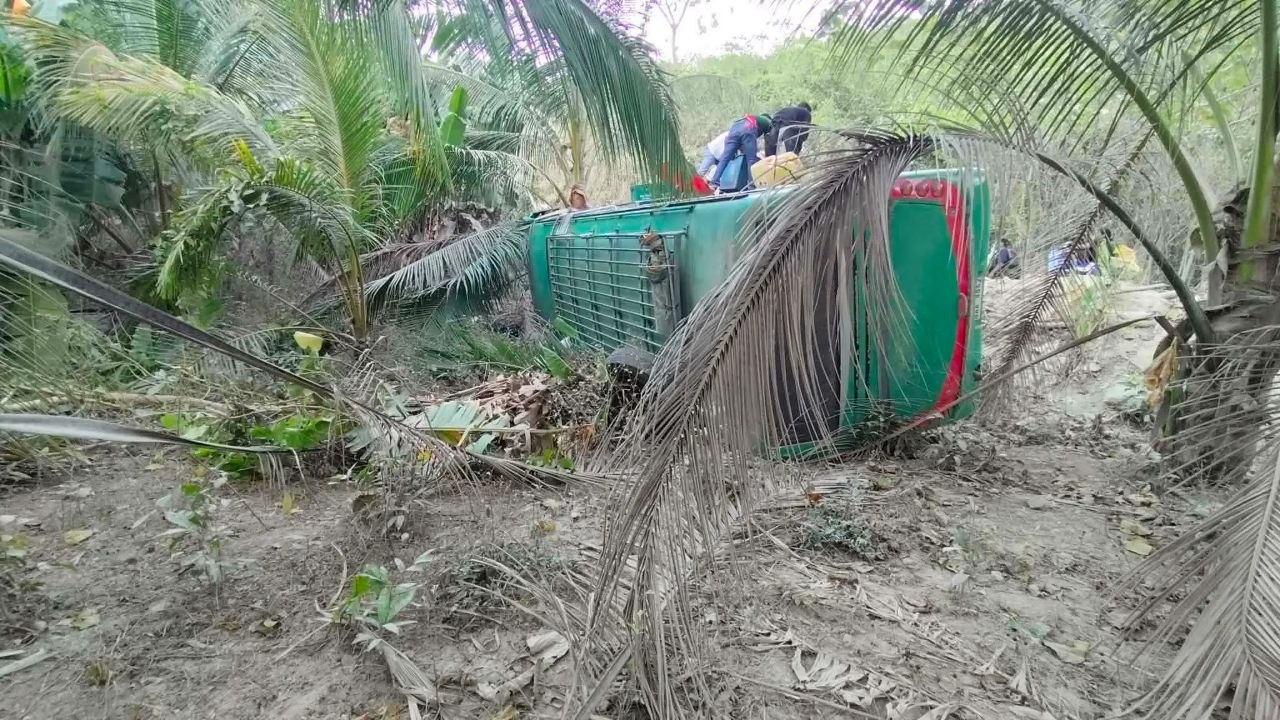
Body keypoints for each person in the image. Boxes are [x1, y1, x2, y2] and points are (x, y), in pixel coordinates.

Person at [709, 113, 772, 192]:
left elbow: (743, 148)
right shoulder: (767, 120)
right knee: (751, 160)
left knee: (724, 159)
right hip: (748, 128)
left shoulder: (754, 118)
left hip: (734, 129)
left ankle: (714, 183)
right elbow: (769, 141)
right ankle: (752, 185)